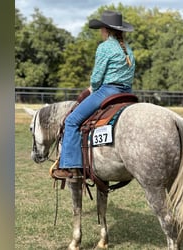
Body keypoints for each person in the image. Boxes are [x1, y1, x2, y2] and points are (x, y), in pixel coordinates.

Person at [52, 10, 135, 179]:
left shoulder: (104, 47)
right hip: (127, 93)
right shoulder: (128, 50)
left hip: (108, 91)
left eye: (101, 29)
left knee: (71, 121)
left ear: (106, 29)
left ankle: (70, 166)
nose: (100, 32)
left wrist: (92, 88)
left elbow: (97, 78)